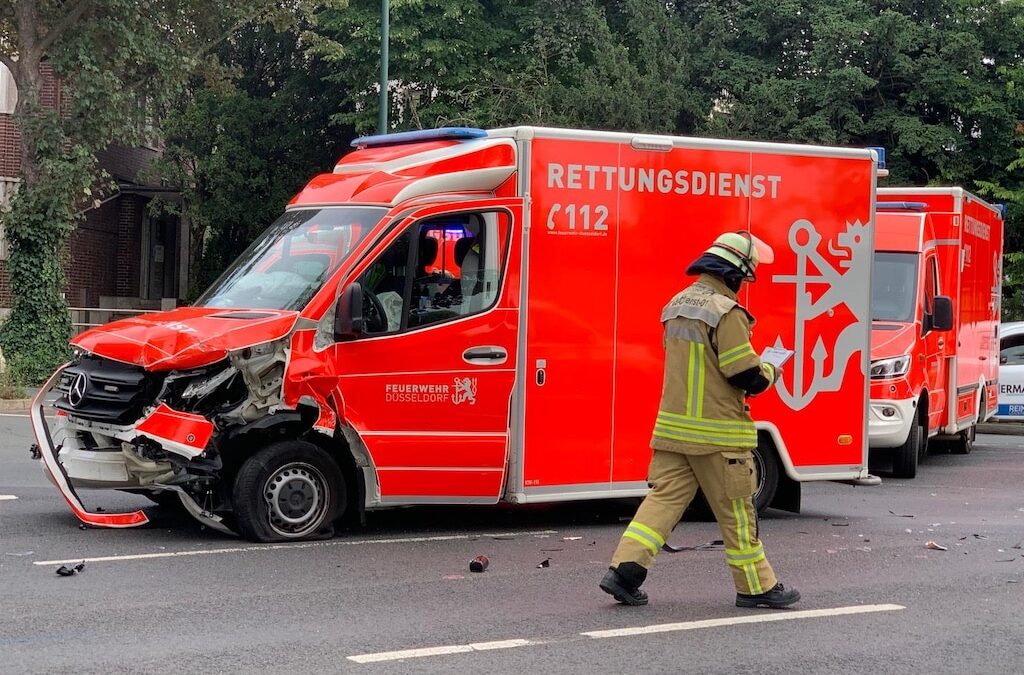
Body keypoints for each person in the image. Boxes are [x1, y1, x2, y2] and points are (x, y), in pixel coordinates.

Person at [599, 231, 800, 610]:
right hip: (718, 435)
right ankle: (756, 587)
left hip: (673, 432)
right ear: (735, 274)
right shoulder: (727, 312)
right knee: (738, 513)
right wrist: (772, 368)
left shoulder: (676, 305)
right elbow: (745, 375)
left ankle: (624, 572)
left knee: (662, 503)